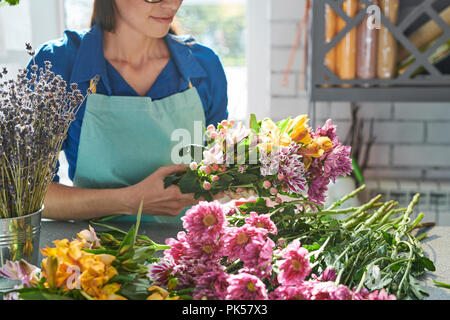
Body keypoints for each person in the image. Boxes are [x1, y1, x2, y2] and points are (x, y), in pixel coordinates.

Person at [30, 0, 229, 222]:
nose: (173, 3)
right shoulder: (57, 64)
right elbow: (29, 196)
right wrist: (130, 201)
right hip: (95, 253)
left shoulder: (204, 66)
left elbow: (222, 169)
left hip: (188, 252)